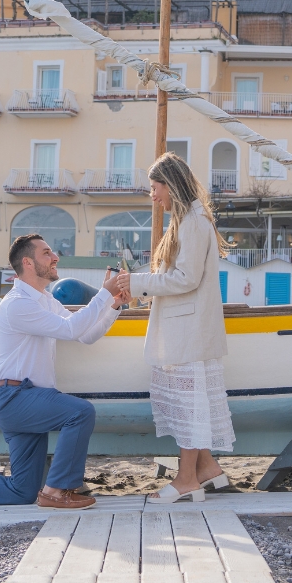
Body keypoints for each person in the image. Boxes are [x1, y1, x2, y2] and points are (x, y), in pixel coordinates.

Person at [0, 233, 128, 510]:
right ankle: (57, 490)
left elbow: (85, 335)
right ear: (28, 263)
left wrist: (114, 304)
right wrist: (104, 292)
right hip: (16, 397)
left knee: (23, 491)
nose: (55, 257)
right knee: (81, 412)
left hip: (24, 398)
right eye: (47, 253)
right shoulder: (17, 303)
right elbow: (71, 329)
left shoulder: (44, 300)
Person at [117, 152, 235, 503]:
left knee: (188, 406)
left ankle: (187, 481)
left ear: (171, 185)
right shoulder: (191, 219)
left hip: (188, 331)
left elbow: (185, 278)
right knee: (190, 402)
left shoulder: (194, 221)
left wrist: (136, 282)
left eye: (155, 187)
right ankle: (208, 470)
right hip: (188, 328)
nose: (152, 195)